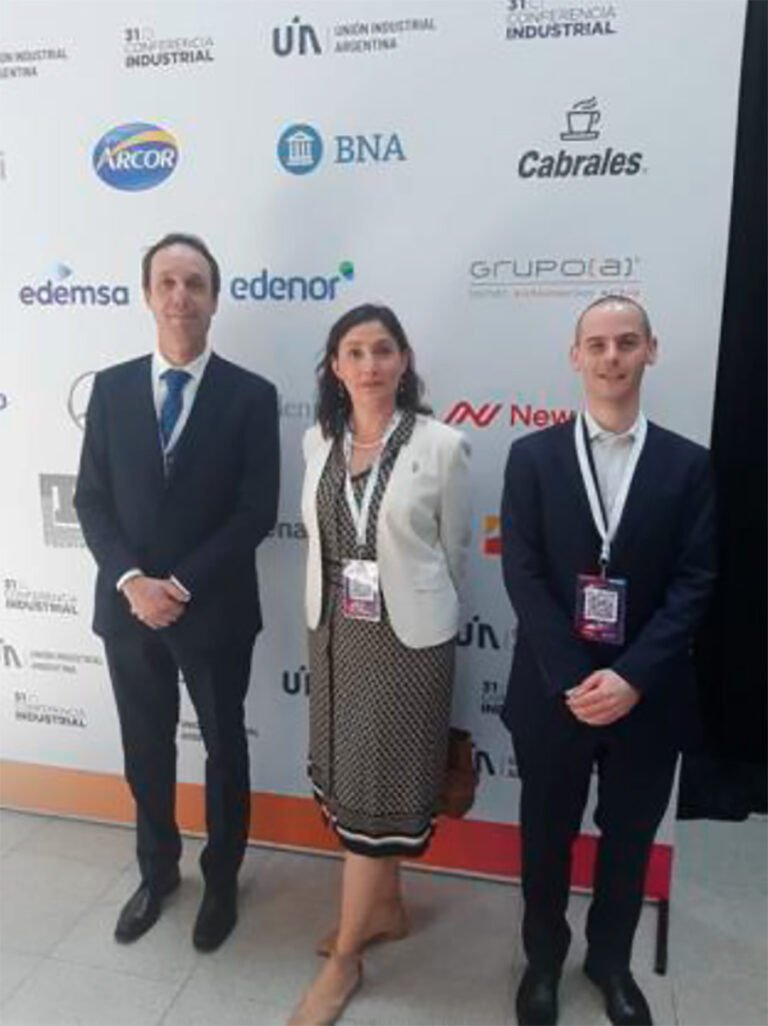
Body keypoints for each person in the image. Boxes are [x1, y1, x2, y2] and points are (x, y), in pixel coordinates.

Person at [500, 296, 716, 1026]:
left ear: (651, 350)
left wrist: (630, 677)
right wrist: (574, 677)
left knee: (628, 841)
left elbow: (695, 581)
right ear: (576, 356)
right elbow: (522, 572)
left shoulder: (689, 464)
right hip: (552, 691)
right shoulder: (532, 457)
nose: (612, 356)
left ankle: (611, 962)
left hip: (648, 696)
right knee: (546, 839)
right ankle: (542, 962)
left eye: (627, 342)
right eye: (597, 344)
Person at [74, 233, 279, 952]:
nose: (180, 295)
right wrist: (134, 582)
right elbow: (91, 500)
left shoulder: (251, 395)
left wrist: (181, 584)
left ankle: (221, 881)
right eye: (167, 282)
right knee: (145, 748)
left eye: (195, 283)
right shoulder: (111, 389)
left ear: (215, 299)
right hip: (128, 611)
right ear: (147, 295)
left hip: (214, 609)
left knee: (224, 750)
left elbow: (255, 511)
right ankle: (157, 870)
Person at [287, 303, 472, 1026]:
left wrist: (410, 602)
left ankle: (344, 962)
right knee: (352, 778)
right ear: (335, 367)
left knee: (374, 788)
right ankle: (387, 908)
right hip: (335, 635)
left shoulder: (441, 445)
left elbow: (453, 550)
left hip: (404, 643)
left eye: (383, 350)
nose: (370, 364)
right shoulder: (317, 442)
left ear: (404, 361)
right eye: (355, 352)